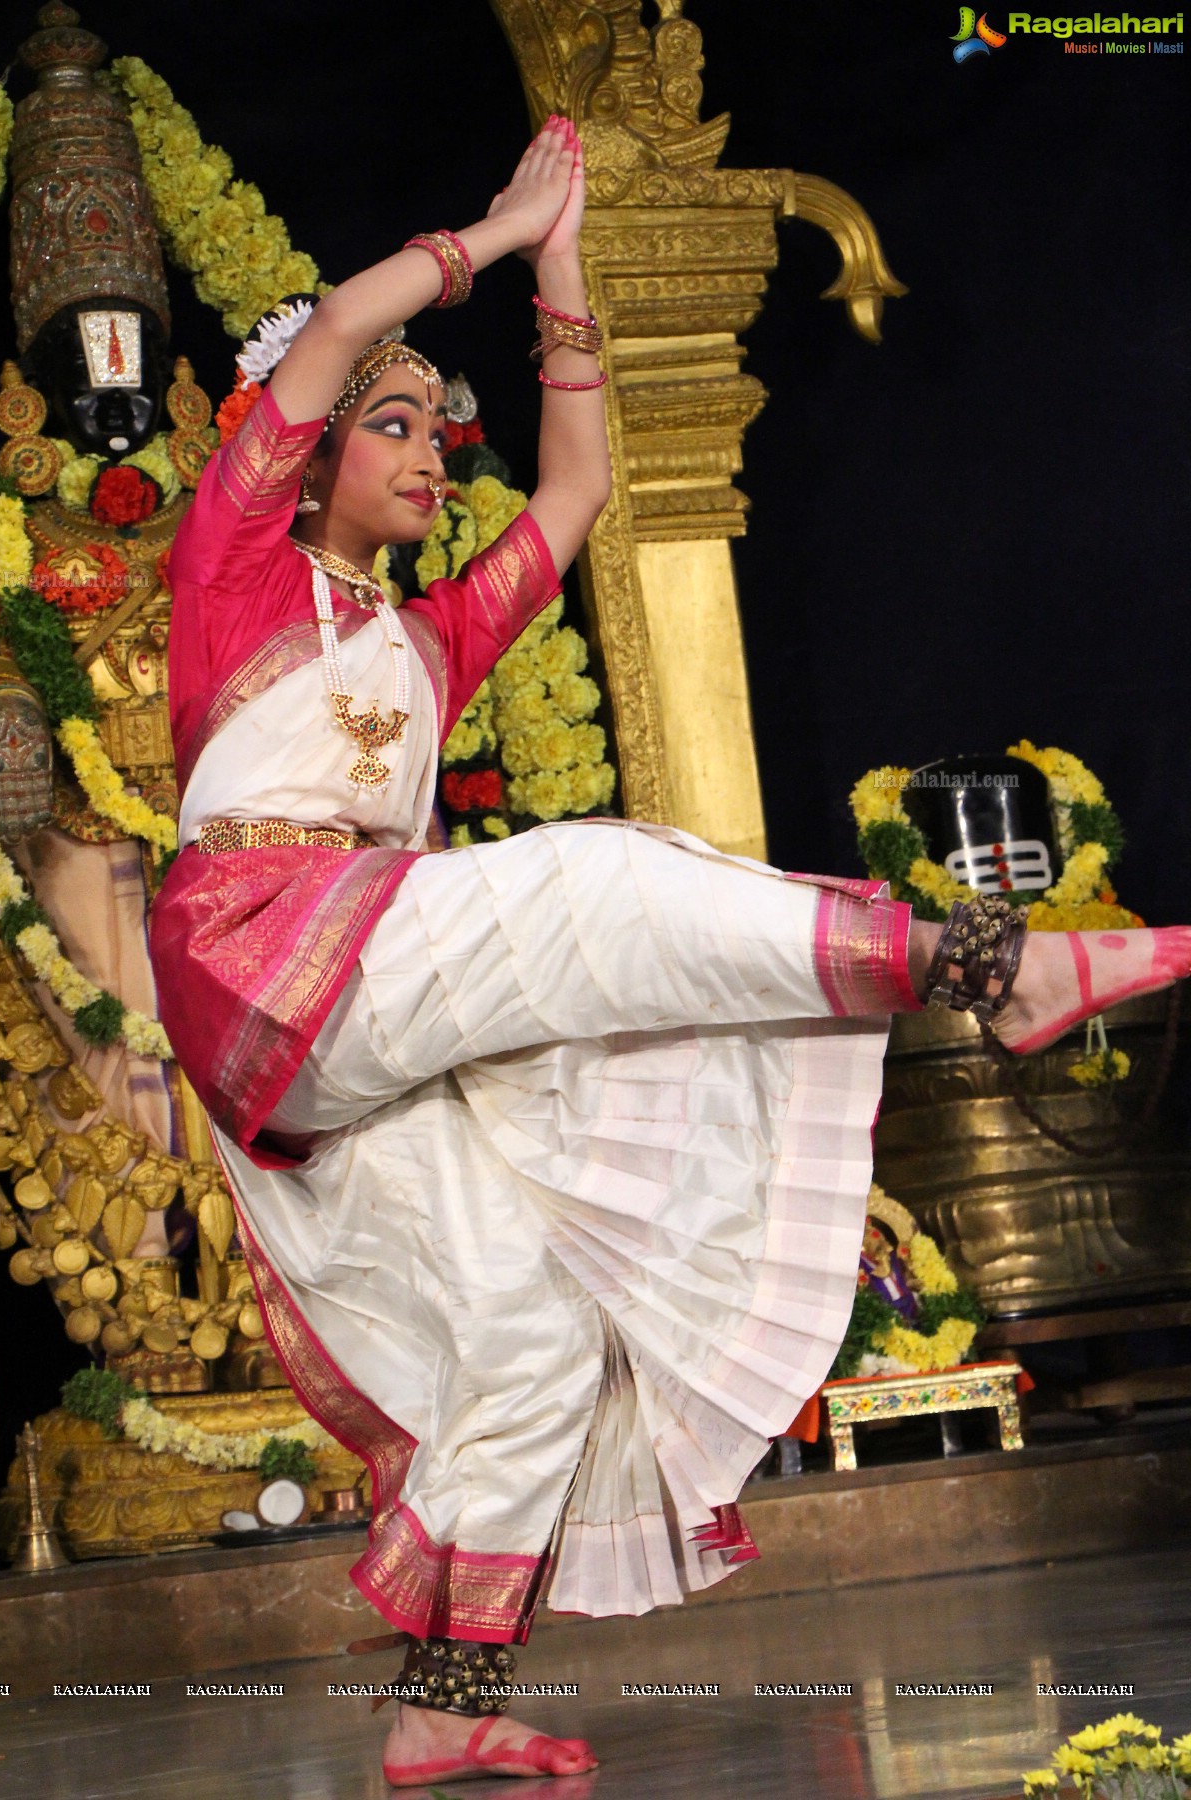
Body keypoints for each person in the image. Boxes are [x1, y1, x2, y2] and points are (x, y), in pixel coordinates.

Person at [150, 118, 1190, 1786]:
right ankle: (990, 968)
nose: (430, 451)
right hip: (258, 947)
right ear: (312, 449)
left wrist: (562, 270)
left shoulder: (431, 637)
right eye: (396, 426)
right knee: (593, 882)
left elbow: (578, 487)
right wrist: (485, 235)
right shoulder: (236, 575)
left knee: (536, 1326)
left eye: (440, 425)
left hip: (361, 990)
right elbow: (336, 331)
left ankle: (443, 1698)